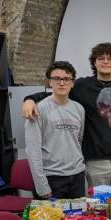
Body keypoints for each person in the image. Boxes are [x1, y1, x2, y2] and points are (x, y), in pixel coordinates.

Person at [22, 43, 111, 187]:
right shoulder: (82, 86)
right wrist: (30, 99)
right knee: (99, 206)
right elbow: (57, 91)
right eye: (101, 58)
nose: (106, 62)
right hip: (95, 162)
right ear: (94, 62)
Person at [25, 61, 86, 199]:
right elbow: (32, 150)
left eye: (66, 79)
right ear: (49, 82)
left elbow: (78, 141)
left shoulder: (79, 109)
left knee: (78, 219)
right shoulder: (38, 109)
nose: (62, 83)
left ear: (72, 83)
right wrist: (41, 185)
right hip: (52, 178)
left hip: (77, 177)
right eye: (56, 79)